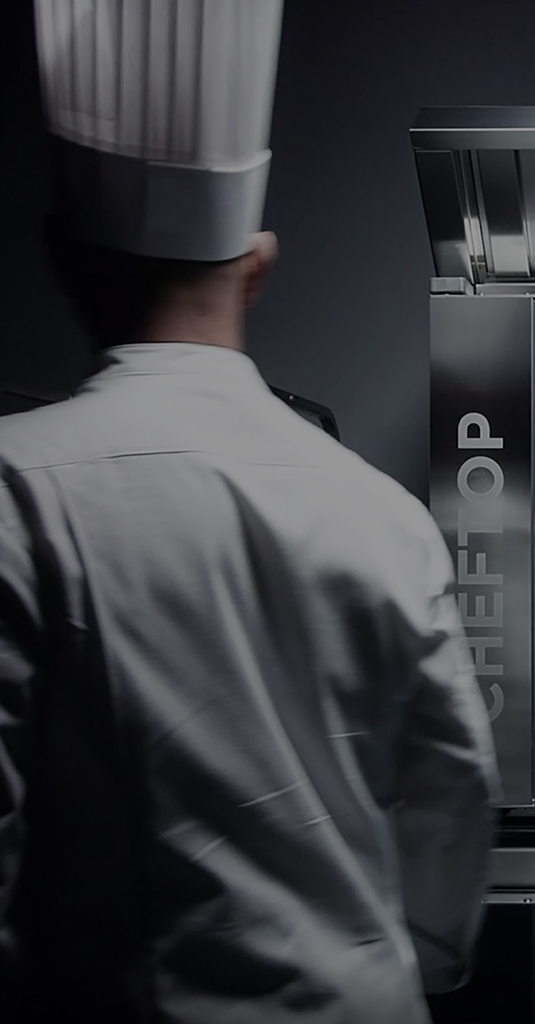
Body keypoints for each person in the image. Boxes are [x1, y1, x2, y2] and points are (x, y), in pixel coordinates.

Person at [0, 222, 499, 1023]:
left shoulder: (17, 487)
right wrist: (414, 954)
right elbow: (454, 789)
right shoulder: (382, 510)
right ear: (257, 263)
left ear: (66, 264)